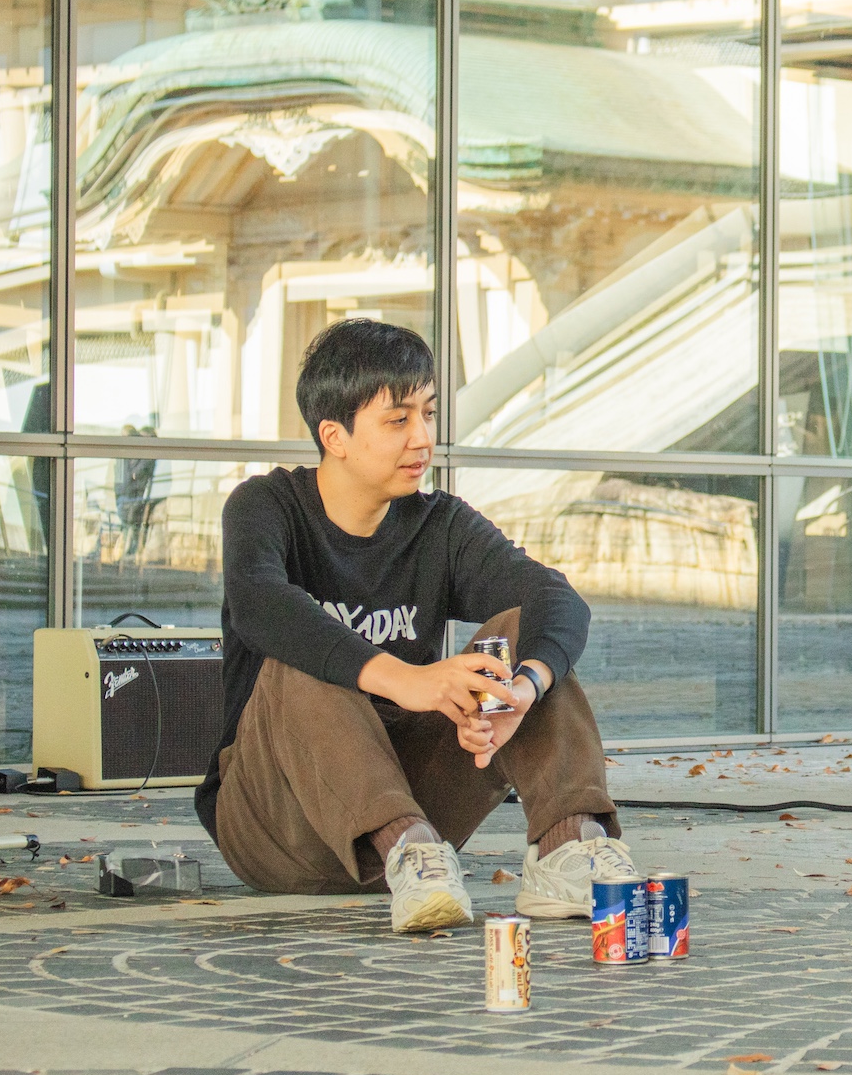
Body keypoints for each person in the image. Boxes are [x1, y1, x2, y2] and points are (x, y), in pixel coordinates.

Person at [195, 318, 636, 932]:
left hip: (421, 813)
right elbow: (259, 603)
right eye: (397, 420)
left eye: (428, 414)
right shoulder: (266, 507)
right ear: (335, 436)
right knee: (302, 651)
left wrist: (523, 690)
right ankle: (405, 845)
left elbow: (554, 597)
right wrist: (406, 679)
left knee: (521, 628)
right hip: (277, 823)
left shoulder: (440, 524)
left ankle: (566, 846)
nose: (422, 438)